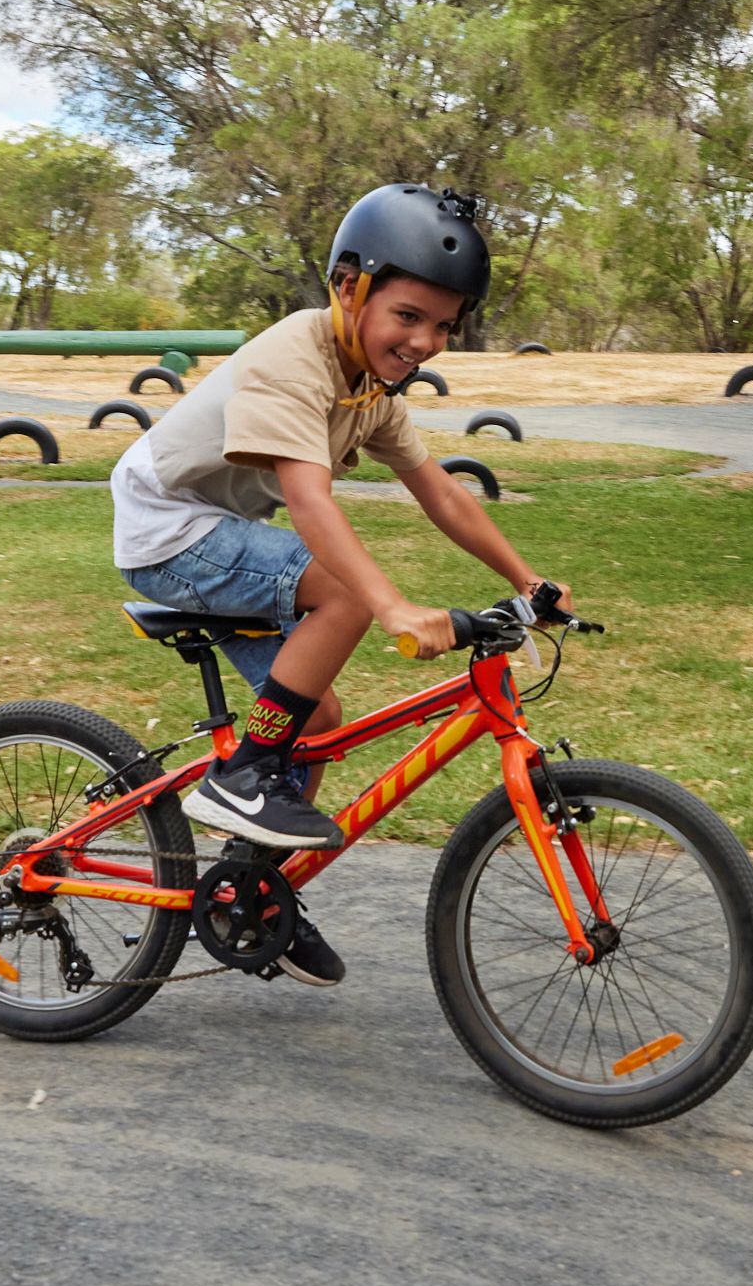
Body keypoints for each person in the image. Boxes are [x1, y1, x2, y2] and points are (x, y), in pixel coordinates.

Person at [110, 184, 566, 986]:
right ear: (348, 287)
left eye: (443, 325)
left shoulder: (370, 388)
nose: (425, 341)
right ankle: (241, 773)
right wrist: (389, 604)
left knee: (315, 716)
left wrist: (529, 581)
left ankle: (251, 891)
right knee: (343, 596)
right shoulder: (295, 357)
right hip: (166, 527)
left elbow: (442, 491)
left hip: (212, 530)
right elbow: (308, 501)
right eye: (408, 315)